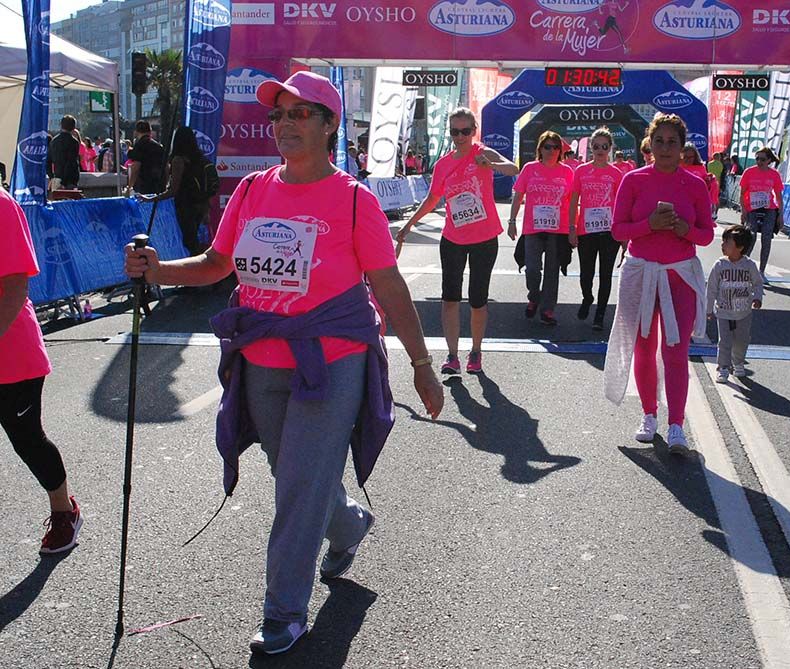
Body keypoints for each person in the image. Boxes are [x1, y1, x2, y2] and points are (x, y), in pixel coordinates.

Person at [124, 70, 444, 655]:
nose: (285, 123)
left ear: (329, 126)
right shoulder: (250, 191)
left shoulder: (353, 199)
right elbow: (218, 264)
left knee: (298, 484)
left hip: (333, 359)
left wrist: (421, 363)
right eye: (278, 115)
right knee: (294, 473)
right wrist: (159, 270)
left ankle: (283, 612)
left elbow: (390, 284)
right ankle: (347, 524)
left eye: (300, 113)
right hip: (262, 356)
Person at [604, 113, 714, 450]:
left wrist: (685, 230)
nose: (665, 148)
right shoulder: (634, 180)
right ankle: (649, 414)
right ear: (649, 144)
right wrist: (649, 224)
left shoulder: (695, 184)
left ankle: (677, 423)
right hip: (641, 272)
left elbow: (707, 235)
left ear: (682, 147)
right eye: (660, 141)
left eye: (672, 142)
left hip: (679, 274)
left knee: (676, 350)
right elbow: (618, 229)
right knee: (644, 347)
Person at [397, 107, 518, 374]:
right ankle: (452, 355)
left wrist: (493, 164)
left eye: (465, 131)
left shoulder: (482, 152)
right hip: (453, 237)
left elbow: (512, 168)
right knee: (450, 298)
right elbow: (432, 199)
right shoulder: (443, 164)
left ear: (474, 131)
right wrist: (409, 224)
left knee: (478, 299)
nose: (460, 137)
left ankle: (475, 351)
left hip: (484, 237)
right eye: (454, 132)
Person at [1, 186, 83, 554]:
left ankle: (64, 511)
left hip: (13, 357)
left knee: (27, 440)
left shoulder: (2, 207)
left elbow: (15, 287)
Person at [509, 131, 575, 326]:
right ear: (540, 148)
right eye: (548, 146)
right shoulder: (530, 169)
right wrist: (512, 222)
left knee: (552, 271)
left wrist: (573, 228)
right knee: (532, 269)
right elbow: (518, 196)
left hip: (558, 229)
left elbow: (573, 202)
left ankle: (547, 309)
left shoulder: (567, 172)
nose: (552, 150)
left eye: (556, 147)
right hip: (533, 228)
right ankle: (533, 296)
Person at [568, 127, 624, 331]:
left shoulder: (616, 174)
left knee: (606, 274)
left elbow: (621, 204)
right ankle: (587, 296)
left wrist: (623, 233)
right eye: (596, 146)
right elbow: (574, 199)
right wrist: (572, 228)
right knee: (586, 273)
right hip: (586, 230)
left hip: (609, 232)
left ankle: (600, 314)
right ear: (590, 147)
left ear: (610, 148)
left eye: (604, 146)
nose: (600, 150)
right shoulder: (581, 171)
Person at [137, 126, 214, 257]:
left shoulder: (179, 160)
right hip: (201, 204)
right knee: (196, 239)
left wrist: (151, 199)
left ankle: (196, 270)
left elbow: (173, 190)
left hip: (186, 205)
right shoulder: (200, 159)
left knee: (189, 241)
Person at [707, 225, 763, 383]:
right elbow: (711, 288)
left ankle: (738, 362)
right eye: (723, 241)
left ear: (740, 247)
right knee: (724, 341)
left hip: (743, 312)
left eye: (727, 242)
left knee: (742, 340)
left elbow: (758, 283)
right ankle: (723, 367)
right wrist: (709, 309)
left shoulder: (749, 266)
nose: (722, 245)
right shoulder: (719, 265)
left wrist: (757, 298)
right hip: (724, 311)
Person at [739, 147, 784, 279]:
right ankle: (743, 267)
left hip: (769, 207)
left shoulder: (774, 174)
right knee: (750, 236)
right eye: (757, 158)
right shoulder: (749, 172)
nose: (759, 161)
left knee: (766, 238)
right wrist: (743, 211)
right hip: (752, 208)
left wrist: (780, 215)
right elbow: (742, 194)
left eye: (763, 159)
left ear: (769, 160)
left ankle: (762, 271)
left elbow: (779, 196)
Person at [126, 120, 166, 196]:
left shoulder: (139, 146)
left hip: (144, 187)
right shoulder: (159, 146)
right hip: (159, 186)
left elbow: (136, 167)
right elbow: (166, 166)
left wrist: (129, 186)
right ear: (150, 131)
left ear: (136, 132)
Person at [682, 144, 719, 220]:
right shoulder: (676, 167)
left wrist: (710, 181)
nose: (688, 159)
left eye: (690, 157)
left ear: (695, 157)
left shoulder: (701, 167)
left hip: (698, 204)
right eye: (685, 157)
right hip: (681, 203)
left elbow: (706, 186)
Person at [48, 115, 81, 190]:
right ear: (73, 127)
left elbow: (48, 161)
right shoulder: (74, 142)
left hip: (57, 177)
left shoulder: (54, 141)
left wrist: (52, 176)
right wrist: (64, 181)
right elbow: (71, 162)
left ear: (61, 125)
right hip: (70, 179)